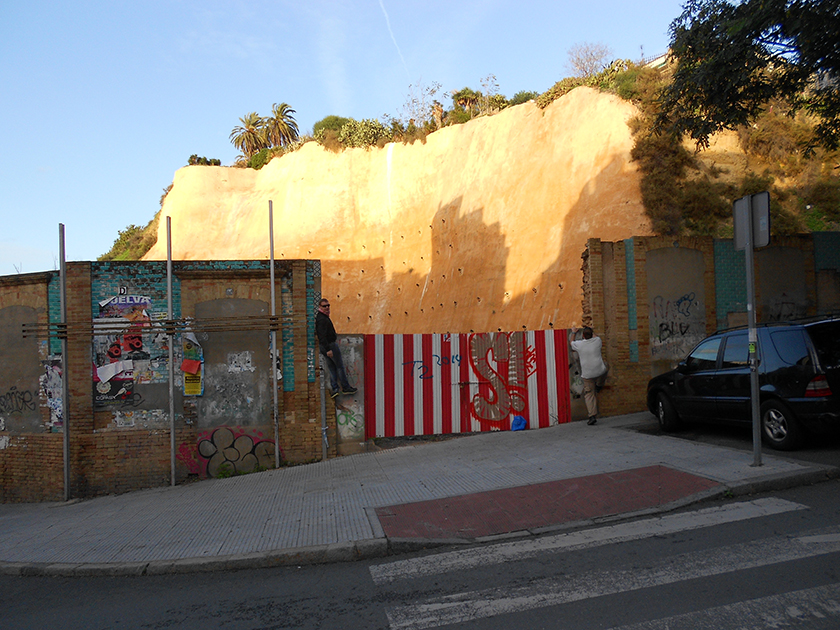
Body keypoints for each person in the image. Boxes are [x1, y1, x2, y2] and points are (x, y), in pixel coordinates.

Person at [315, 299, 357, 398]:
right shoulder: (322, 319)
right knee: (339, 366)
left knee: (332, 367)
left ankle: (335, 389)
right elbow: (322, 336)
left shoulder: (322, 317)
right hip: (330, 346)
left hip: (326, 346)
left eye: (328, 305)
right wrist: (328, 349)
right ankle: (345, 387)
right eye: (324, 306)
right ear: (320, 307)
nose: (327, 308)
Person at [569, 326, 609, 425]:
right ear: (592, 335)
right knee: (606, 367)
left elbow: (571, 342)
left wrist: (573, 332)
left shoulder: (580, 344)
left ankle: (592, 416)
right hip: (599, 371)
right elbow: (594, 335)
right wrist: (589, 327)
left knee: (589, 394)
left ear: (583, 336)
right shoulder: (597, 341)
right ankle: (599, 385)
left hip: (588, 375)